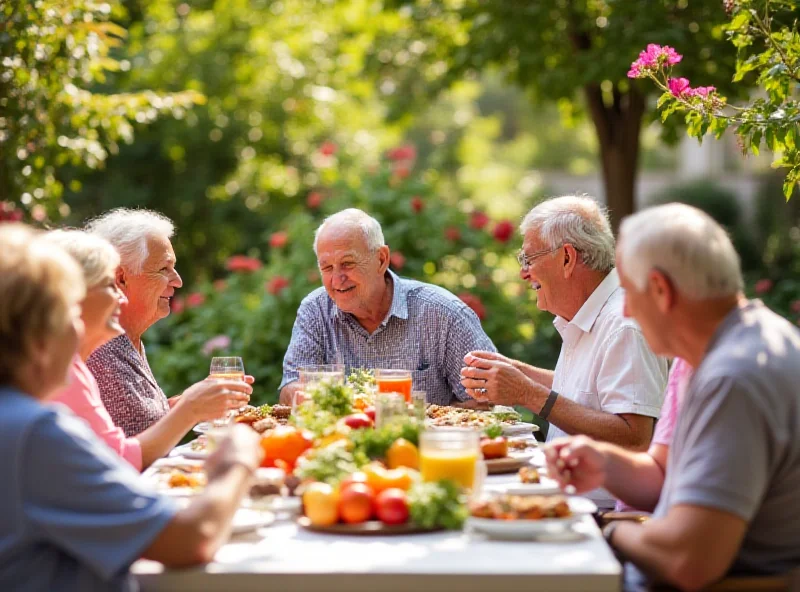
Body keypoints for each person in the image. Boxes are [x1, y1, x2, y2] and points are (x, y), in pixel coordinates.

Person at [545, 204, 800, 590]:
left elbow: (687, 562)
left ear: (662, 290)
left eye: (629, 292)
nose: (626, 309)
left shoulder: (734, 377)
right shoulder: (717, 351)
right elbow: (664, 475)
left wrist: (606, 533)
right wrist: (601, 463)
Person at [0, 223, 263, 591]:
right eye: (68, 314)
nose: (78, 331)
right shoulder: (35, 432)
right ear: (36, 330)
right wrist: (239, 459)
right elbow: (190, 540)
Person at [460, 195, 667, 508]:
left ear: (568, 258)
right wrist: (518, 372)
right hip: (567, 500)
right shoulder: (591, 313)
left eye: (529, 259)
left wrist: (529, 394)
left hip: (599, 515)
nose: (524, 273)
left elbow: (634, 438)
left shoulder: (623, 324)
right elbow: (588, 393)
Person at [46, 229, 248, 470]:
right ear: (73, 295)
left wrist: (192, 403)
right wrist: (190, 408)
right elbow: (116, 460)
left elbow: (120, 436)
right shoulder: (72, 367)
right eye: (109, 285)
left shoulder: (76, 364)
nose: (120, 299)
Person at [280, 208, 496, 406]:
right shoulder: (314, 311)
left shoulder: (443, 313)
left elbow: (491, 399)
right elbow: (288, 392)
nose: (337, 279)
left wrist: (432, 419)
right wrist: (299, 393)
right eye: (327, 268)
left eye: (347, 263)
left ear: (381, 259)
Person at [85, 208, 251, 436]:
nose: (178, 281)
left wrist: (196, 399)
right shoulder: (100, 350)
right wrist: (191, 407)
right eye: (164, 269)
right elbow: (128, 446)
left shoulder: (128, 339)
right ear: (121, 278)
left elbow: (142, 419)